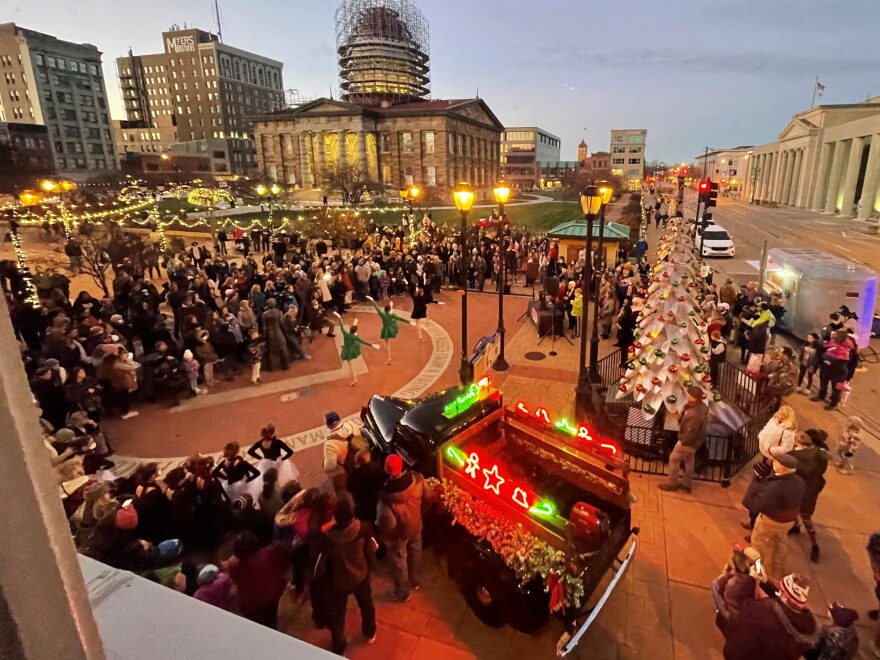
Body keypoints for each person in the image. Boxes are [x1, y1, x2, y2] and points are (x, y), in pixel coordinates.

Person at [321, 492, 378, 653]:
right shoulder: (364, 528)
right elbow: (374, 548)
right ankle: (370, 631)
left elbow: (324, 561)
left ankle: (339, 646)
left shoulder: (328, 537)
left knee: (338, 615)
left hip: (339, 581)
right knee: (366, 605)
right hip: (361, 575)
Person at [723, 573, 819, 660]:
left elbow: (734, 648)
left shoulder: (761, 612)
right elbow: (785, 605)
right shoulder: (808, 627)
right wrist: (766, 582)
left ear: (784, 594)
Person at [741, 450, 805, 580]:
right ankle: (778, 568)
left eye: (775, 461)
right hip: (788, 521)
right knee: (780, 542)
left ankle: (759, 571)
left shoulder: (776, 486)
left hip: (771, 520)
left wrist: (758, 481)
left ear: (782, 467)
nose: (772, 463)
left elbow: (759, 504)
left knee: (759, 544)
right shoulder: (798, 480)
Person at [376, 454, 424, 602]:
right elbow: (428, 494)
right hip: (416, 524)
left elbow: (388, 523)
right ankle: (415, 580)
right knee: (416, 550)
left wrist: (385, 534)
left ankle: (403, 592)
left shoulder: (387, 498)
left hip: (400, 533)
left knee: (399, 559)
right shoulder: (417, 480)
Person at [226, 530, 288, 628]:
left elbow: (235, 581)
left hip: (249, 604)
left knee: (255, 626)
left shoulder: (233, 565)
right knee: (271, 621)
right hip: (271, 596)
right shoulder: (269, 553)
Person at [789, 429, 829, 563]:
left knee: (803, 514)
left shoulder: (795, 456)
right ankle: (796, 526)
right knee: (803, 512)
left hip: (801, 489)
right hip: (812, 488)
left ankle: (814, 545)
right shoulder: (820, 454)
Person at [659, 386, 709, 493]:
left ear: (693, 397)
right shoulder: (703, 407)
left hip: (687, 442)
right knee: (689, 460)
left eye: (688, 394)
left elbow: (691, 432)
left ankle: (672, 483)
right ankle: (687, 484)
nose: (687, 395)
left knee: (673, 459)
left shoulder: (693, 414)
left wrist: (682, 440)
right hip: (695, 442)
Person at [711, 545, 766, 631]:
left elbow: (719, 586)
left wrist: (725, 574)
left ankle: (722, 615)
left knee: (713, 585)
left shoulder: (734, 583)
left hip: (733, 616)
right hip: (744, 612)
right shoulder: (752, 577)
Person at [332, 313, 381, 386]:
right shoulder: (355, 337)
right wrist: (373, 345)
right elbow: (363, 341)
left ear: (350, 330)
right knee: (350, 363)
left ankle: (354, 378)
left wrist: (339, 317)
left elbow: (342, 327)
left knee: (350, 364)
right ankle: (354, 378)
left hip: (348, 349)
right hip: (352, 348)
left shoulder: (346, 334)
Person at [322, 412, 361, 492]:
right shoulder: (352, 425)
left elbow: (329, 466)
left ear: (328, 426)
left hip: (346, 472)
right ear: (339, 419)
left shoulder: (330, 444)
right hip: (360, 460)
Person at [366, 296, 412, 363]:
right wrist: (409, 322)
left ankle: (389, 357)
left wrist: (372, 300)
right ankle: (391, 306)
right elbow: (401, 319)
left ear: (385, 310)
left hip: (386, 329)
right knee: (387, 342)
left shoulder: (382, 315)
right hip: (391, 327)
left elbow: (377, 308)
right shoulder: (391, 315)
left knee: (387, 343)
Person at [260, 298, 290, 372]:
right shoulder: (279, 312)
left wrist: (264, 335)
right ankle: (285, 365)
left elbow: (264, 327)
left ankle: (272, 367)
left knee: (271, 350)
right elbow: (282, 323)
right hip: (278, 331)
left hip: (270, 333)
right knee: (283, 348)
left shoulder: (264, 314)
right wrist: (285, 332)